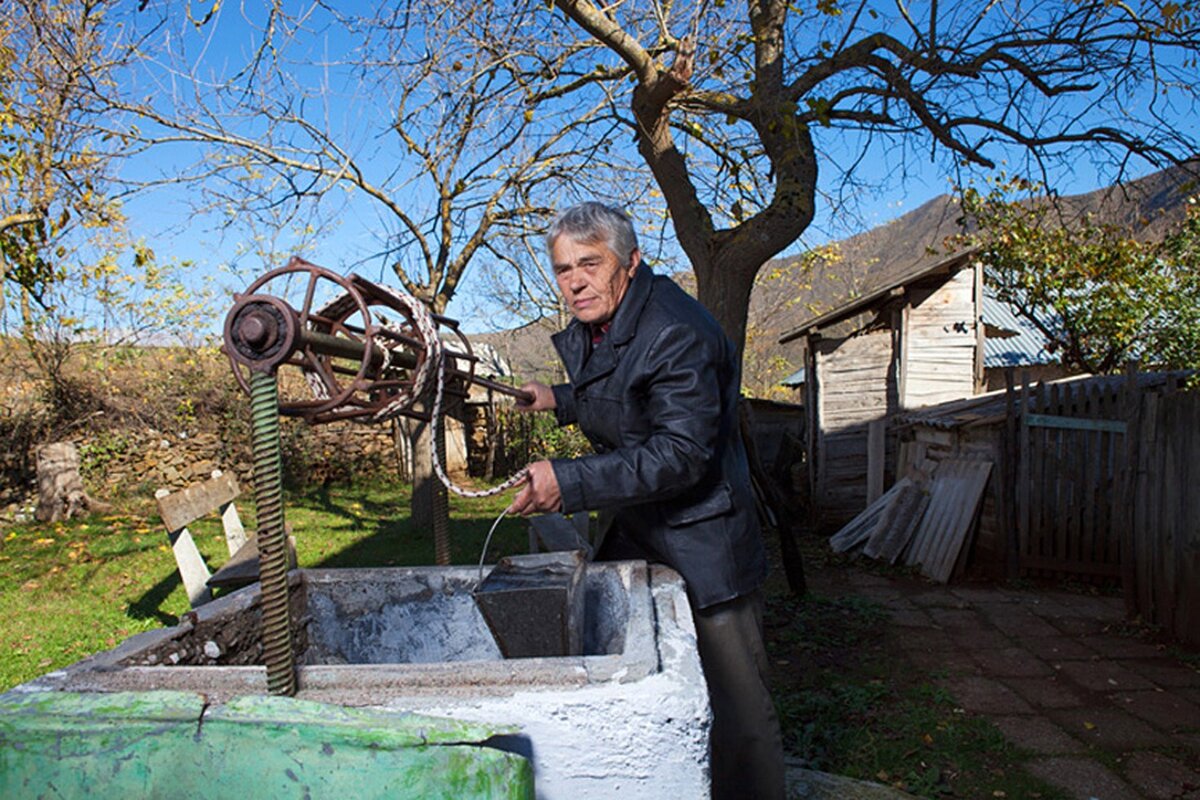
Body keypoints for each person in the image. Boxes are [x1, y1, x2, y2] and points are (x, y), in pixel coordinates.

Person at [509, 201, 786, 800]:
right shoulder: (609, 319)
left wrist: (570, 481)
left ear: (630, 261)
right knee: (641, 683)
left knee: (736, 706)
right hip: (643, 526)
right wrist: (557, 397)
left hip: (705, 538)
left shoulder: (676, 329)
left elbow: (680, 454)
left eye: (589, 262)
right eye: (562, 269)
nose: (574, 281)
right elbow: (624, 393)